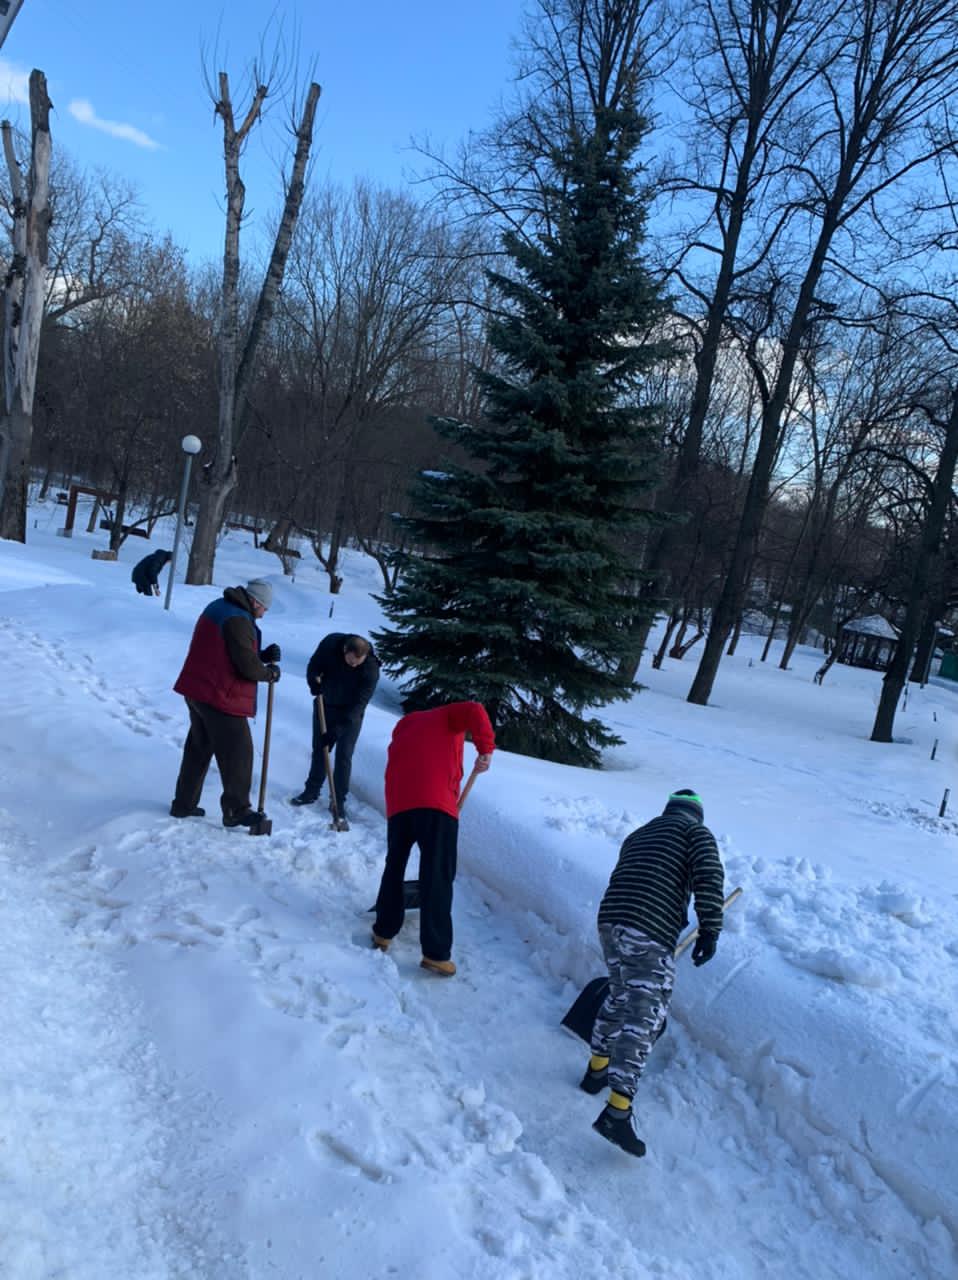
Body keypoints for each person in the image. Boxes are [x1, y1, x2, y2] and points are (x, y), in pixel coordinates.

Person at [582, 789, 724, 1158]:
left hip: (611, 920)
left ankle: (596, 1069)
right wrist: (710, 929)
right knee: (644, 1015)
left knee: (620, 996)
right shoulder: (696, 834)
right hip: (648, 927)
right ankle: (617, 1111)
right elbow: (708, 876)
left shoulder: (642, 833)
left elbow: (637, 875)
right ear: (697, 816)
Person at [371, 701, 495, 977]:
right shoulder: (448, 715)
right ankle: (435, 954)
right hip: (436, 804)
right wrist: (485, 750)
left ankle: (383, 932)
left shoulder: (404, 726)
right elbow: (475, 710)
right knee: (437, 875)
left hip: (399, 804)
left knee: (395, 867)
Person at [170, 578, 281, 827]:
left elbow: (224, 649)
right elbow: (246, 667)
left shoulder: (220, 606)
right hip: (220, 696)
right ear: (254, 601)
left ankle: (183, 804)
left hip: (198, 689)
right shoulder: (238, 619)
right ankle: (237, 811)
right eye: (263, 608)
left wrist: (261, 655)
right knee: (239, 754)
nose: (263, 614)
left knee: (198, 749)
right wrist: (269, 673)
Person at [290, 633, 380, 822]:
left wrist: (338, 730)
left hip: (350, 714)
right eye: (351, 661)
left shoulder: (371, 667)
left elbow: (360, 703)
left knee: (344, 756)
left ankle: (338, 800)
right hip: (325, 705)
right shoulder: (331, 644)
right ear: (345, 650)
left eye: (358, 662)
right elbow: (314, 665)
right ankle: (311, 791)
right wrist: (313, 682)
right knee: (320, 749)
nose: (354, 665)